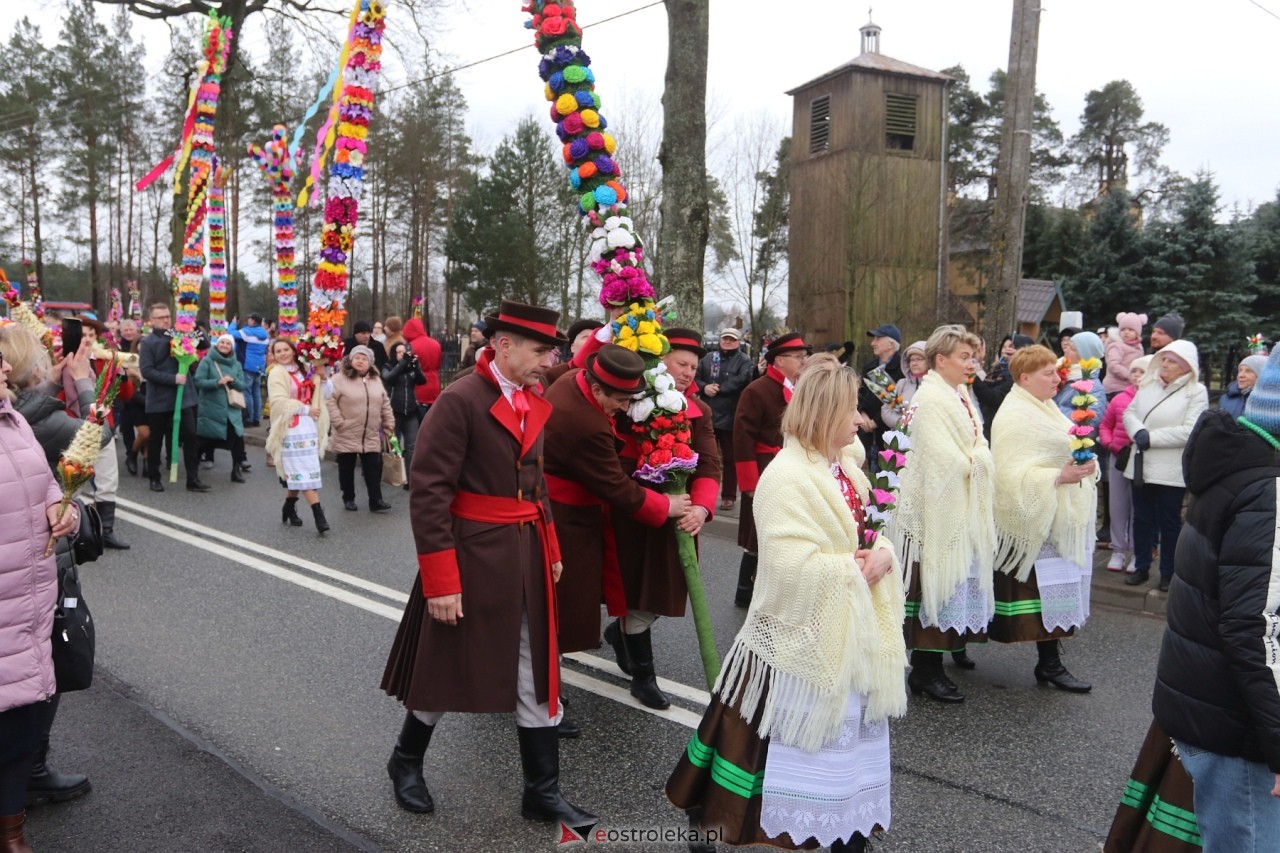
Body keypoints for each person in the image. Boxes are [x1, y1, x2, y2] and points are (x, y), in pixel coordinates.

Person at [667, 354, 907, 853]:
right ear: (822, 414)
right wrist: (855, 568)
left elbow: (876, 532)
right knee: (776, 751)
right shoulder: (786, 477)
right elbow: (788, 565)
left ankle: (846, 829)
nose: (859, 420)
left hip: (848, 634)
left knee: (841, 755)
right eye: (851, 411)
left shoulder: (846, 469)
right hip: (801, 637)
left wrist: (882, 555)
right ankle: (742, 827)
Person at [379, 300, 596, 827]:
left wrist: (551, 548)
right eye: (541, 350)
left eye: (552, 351)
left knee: (535, 666)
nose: (549, 360)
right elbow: (429, 494)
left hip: (524, 552)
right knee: (446, 664)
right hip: (470, 555)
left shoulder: (530, 397)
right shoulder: (459, 401)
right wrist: (440, 582)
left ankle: (541, 792)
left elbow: (534, 484)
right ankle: (405, 760)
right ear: (503, 344)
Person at [1144, 365, 1280, 852]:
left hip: (1225, 709)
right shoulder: (1268, 491)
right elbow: (1256, 626)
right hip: (1241, 729)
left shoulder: (1243, 470)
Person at [542, 345, 689, 707]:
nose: (625, 410)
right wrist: (665, 506)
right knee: (561, 606)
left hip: (575, 511)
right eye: (621, 401)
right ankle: (542, 702)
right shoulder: (585, 424)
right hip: (566, 518)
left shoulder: (571, 381)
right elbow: (615, 488)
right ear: (596, 389)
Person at [606, 330, 721, 709]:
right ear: (661, 363)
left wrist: (701, 508)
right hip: (635, 511)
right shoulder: (630, 403)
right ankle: (643, 677)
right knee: (637, 592)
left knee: (662, 593)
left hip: (681, 513)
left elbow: (709, 464)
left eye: (694, 367)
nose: (689, 373)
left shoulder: (698, 410)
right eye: (682, 364)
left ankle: (622, 633)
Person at [0, 348, 83, 852]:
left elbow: (47, 484)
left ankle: (12, 830)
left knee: (21, 721)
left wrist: (62, 510)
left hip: (28, 600)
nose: (6, 367)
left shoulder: (14, 420)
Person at [894, 325, 996, 703]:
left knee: (950, 584)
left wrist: (979, 458)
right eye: (965, 357)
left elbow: (980, 443)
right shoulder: (930, 400)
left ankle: (932, 664)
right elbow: (941, 457)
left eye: (973, 356)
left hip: (957, 501)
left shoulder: (960, 394)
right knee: (932, 584)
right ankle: (925, 670)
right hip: (931, 506)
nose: (972, 363)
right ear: (941, 360)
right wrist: (980, 460)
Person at [989, 345, 1097, 692]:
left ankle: (1051, 663)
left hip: (1057, 517)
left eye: (1056, 370)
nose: (1057, 377)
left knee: (1057, 590)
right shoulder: (1014, 414)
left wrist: (1084, 465)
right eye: (1048, 373)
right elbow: (1007, 473)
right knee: (1042, 593)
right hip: (1034, 516)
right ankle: (1050, 663)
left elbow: (1064, 446)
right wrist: (1055, 477)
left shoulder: (1047, 407)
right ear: (1025, 378)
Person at [731, 332, 811, 607]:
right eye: (798, 357)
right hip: (764, 467)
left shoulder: (793, 388)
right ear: (779, 360)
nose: (804, 361)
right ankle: (745, 589)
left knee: (776, 529)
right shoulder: (757, 389)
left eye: (804, 356)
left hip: (785, 465)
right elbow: (742, 438)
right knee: (758, 529)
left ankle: (764, 588)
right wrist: (749, 481)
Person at [1123, 340, 1208, 591]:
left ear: (1185, 366)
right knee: (1141, 518)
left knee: (1170, 521)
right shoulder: (1148, 385)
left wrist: (1151, 438)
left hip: (1170, 469)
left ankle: (1168, 572)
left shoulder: (1196, 391)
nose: (1165, 365)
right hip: (1141, 463)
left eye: (1171, 361)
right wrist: (1137, 430)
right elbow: (1130, 412)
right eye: (1164, 359)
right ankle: (1141, 567)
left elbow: (1190, 430)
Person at [77, 316, 134, 549]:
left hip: (103, 427)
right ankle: (73, 531)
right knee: (73, 480)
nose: (87, 340)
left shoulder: (105, 360)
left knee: (108, 480)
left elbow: (126, 396)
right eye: (83, 335)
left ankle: (105, 532)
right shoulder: (63, 358)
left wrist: (122, 374)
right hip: (75, 428)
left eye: (91, 335)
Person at [138, 303, 206, 493]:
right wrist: (173, 379)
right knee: (156, 440)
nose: (165, 320)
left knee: (191, 437)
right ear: (152, 320)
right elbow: (147, 371)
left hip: (184, 397)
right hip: (160, 399)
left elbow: (204, 344)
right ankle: (154, 477)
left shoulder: (180, 334)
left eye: (168, 316)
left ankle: (193, 479)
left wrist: (194, 328)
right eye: (160, 317)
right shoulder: (148, 342)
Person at [265, 339, 331, 533]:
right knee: (302, 470)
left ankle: (288, 507)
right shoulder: (276, 373)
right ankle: (319, 514)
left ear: (293, 351)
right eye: (278, 351)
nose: (283, 353)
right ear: (274, 355)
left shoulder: (304, 368)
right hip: (290, 427)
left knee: (300, 471)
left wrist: (322, 377)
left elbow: (323, 395)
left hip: (309, 427)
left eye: (286, 349)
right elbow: (278, 403)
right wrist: (305, 409)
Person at [1098, 356, 1152, 573]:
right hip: (1119, 458)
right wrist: (1110, 444)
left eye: (1142, 372)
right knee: (1118, 505)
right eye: (1134, 372)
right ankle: (1118, 550)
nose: (1137, 376)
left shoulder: (1152, 401)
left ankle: (1137, 553)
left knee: (1138, 508)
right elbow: (1105, 425)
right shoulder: (1120, 398)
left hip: (1143, 460)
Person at [327, 344, 395, 512]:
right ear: (351, 360)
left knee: (373, 467)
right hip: (347, 430)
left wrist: (388, 423)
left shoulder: (375, 379)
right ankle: (348, 498)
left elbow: (384, 402)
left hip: (371, 431)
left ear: (370, 363)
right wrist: (338, 422)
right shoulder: (338, 379)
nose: (360, 361)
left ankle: (375, 500)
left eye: (364, 358)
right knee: (346, 467)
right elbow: (330, 400)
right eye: (357, 357)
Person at [695, 328, 754, 512]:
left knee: (730, 459)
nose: (728, 342)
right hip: (708, 415)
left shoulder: (744, 360)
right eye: (725, 339)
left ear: (738, 342)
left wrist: (720, 389)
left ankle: (728, 496)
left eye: (732, 339)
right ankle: (699, 494)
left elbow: (743, 379)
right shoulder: (708, 358)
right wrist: (704, 388)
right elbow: (696, 377)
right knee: (705, 457)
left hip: (731, 415)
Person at [193, 334, 249, 484]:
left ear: (232, 347)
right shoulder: (207, 361)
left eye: (228, 343)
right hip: (212, 408)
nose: (224, 345)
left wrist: (233, 381)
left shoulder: (236, 364)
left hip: (232, 409)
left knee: (237, 439)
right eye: (222, 342)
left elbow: (242, 385)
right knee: (206, 440)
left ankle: (236, 470)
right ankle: (193, 467)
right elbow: (198, 381)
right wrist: (217, 382)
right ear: (217, 345)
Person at [857, 323, 904, 462]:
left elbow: (900, 401)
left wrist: (876, 421)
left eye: (878, 339)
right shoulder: (869, 367)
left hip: (889, 434)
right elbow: (860, 394)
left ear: (891, 344)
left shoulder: (902, 368)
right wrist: (862, 413)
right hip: (866, 432)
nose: (872, 343)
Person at [382, 341, 426, 485]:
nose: (402, 354)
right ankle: (394, 474)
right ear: (394, 353)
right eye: (399, 352)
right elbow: (389, 378)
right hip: (394, 413)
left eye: (404, 352)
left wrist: (416, 366)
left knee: (411, 448)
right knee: (393, 446)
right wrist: (402, 364)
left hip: (411, 413)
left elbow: (422, 380)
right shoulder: (388, 366)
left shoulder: (410, 367)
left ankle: (410, 479)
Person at [232, 313, 269, 427]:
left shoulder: (247, 331)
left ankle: (248, 418)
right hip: (259, 366)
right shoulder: (265, 334)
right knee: (256, 392)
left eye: (249, 319)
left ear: (253, 321)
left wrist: (233, 323)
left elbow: (230, 333)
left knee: (247, 392)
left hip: (247, 365)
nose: (248, 321)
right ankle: (256, 419)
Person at [881, 340, 927, 431]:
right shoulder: (901, 384)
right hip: (901, 439)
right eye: (912, 360)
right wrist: (900, 422)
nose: (914, 363)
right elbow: (886, 410)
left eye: (919, 359)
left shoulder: (934, 385)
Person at [402, 317, 442, 415]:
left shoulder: (410, 346)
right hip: (434, 385)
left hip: (418, 389)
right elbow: (439, 364)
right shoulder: (436, 344)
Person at [1103, 313, 1147, 396]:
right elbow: (1113, 364)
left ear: (1137, 333)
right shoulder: (1117, 346)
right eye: (1123, 330)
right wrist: (1129, 375)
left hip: (1130, 386)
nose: (1126, 332)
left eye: (1130, 330)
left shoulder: (1138, 347)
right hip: (1115, 387)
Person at [1218, 353, 1267, 419]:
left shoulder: (1271, 401)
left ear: (1261, 375)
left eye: (1248, 371)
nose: (1241, 375)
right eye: (1240, 370)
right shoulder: (1226, 398)